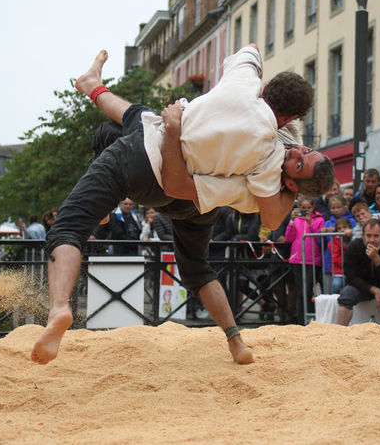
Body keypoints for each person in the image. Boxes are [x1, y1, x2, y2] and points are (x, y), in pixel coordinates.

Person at [32, 46, 334, 366]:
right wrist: (294, 190)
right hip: (195, 203)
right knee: (131, 120)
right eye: (304, 150)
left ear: (266, 89)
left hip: (153, 163)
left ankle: (59, 308)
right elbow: (274, 217)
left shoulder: (251, 103)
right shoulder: (272, 158)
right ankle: (235, 339)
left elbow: (252, 51)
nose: (298, 152)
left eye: (300, 162)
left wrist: (174, 131)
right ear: (292, 120)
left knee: (69, 226)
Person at [336, 218, 380, 332]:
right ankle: (339, 334)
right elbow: (350, 277)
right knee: (346, 295)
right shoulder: (354, 247)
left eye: (376, 236)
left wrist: (377, 259)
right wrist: (373, 289)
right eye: (368, 236)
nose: (372, 240)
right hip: (364, 285)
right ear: (363, 235)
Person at [279, 197, 325, 316]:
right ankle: (300, 318)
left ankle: (309, 315)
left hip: (312, 260)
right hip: (297, 259)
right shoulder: (297, 220)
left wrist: (310, 223)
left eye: (308, 208)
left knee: (308, 289)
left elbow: (318, 236)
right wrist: (291, 221)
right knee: (299, 290)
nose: (306, 210)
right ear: (299, 208)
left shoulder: (319, 219)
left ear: (313, 207)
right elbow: (289, 238)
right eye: (303, 208)